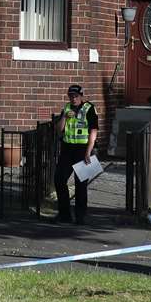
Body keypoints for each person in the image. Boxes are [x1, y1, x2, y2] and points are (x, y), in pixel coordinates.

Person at [54, 84, 99, 223]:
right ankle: (64, 215)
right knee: (59, 180)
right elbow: (59, 129)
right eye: (71, 96)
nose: (73, 99)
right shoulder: (67, 108)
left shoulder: (89, 108)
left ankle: (80, 216)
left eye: (76, 96)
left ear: (81, 96)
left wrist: (88, 152)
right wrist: (64, 118)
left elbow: (93, 131)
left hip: (83, 149)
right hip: (67, 149)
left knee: (81, 184)